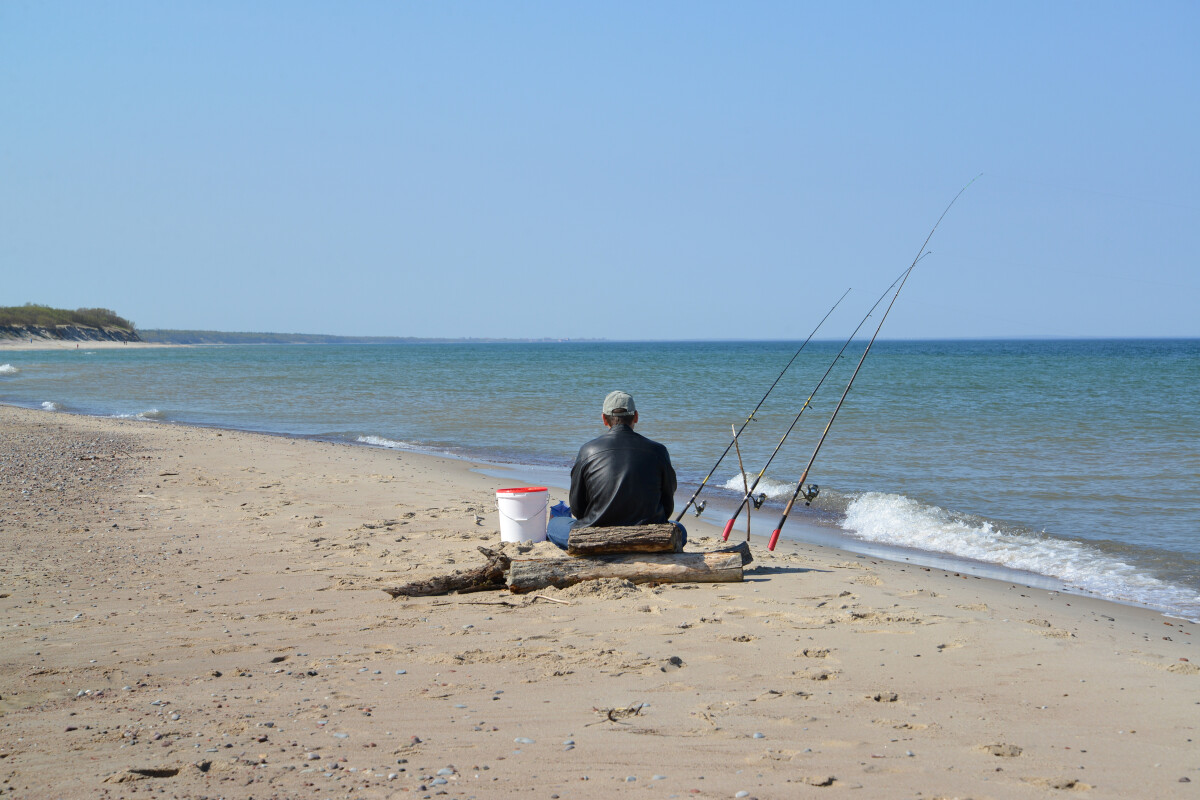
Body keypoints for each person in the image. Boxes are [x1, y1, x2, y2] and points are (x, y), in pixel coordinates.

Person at [547, 390, 686, 549]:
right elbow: (667, 505)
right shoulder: (659, 451)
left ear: (604, 419)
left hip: (596, 538)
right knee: (679, 528)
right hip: (647, 537)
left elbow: (578, 509)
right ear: (636, 417)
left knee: (555, 525)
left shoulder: (587, 451)